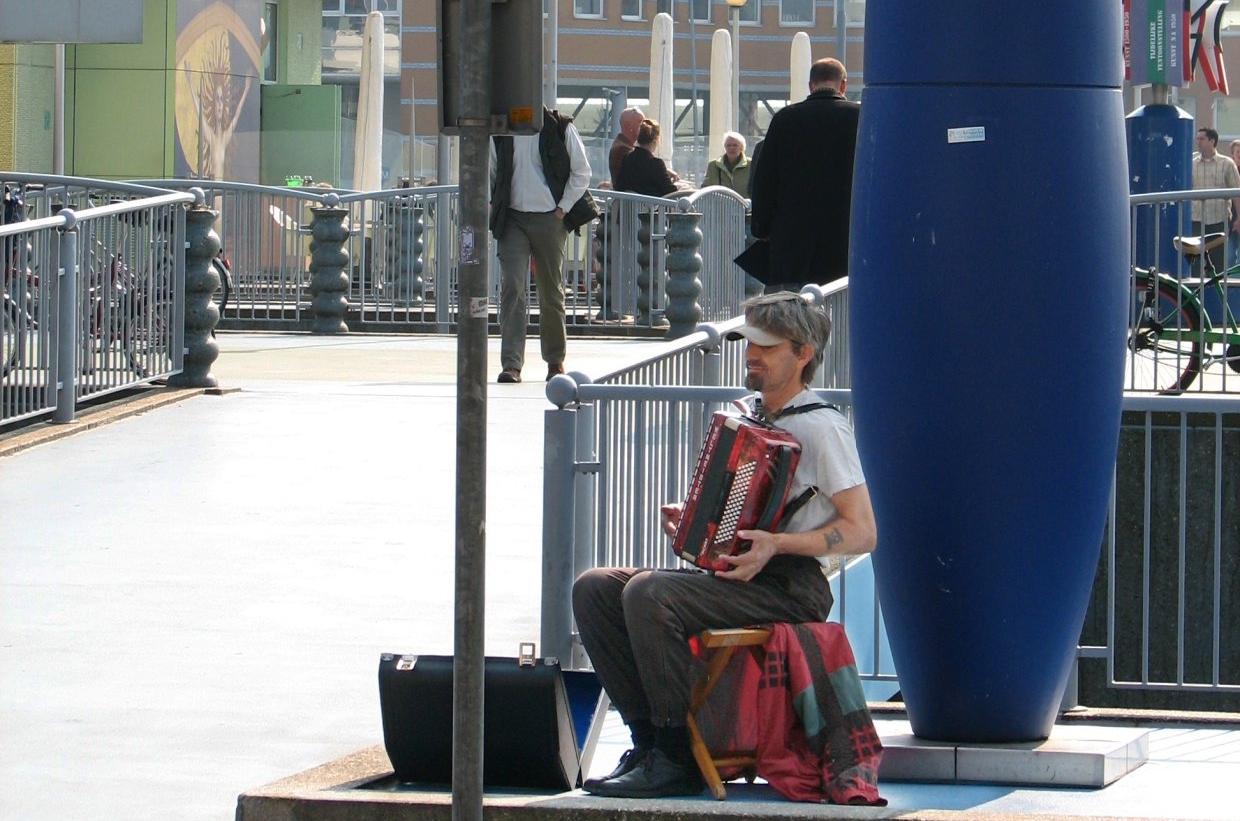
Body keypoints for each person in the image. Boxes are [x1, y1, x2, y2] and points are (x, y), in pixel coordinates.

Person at [572, 292, 877, 799]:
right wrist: (691, 524)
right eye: (748, 343)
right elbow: (730, 507)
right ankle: (649, 741)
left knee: (650, 593)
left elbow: (863, 530)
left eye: (766, 346)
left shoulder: (824, 428)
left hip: (791, 587)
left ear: (803, 354)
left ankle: (674, 756)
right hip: (734, 578)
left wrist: (775, 544)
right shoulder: (744, 413)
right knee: (595, 588)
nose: (751, 354)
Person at [490, 107, 593, 384]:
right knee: (512, 286)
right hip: (512, 217)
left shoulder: (559, 126)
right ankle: (511, 364)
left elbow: (582, 171)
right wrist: (494, 203)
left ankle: (555, 361)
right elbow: (492, 171)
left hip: (550, 217)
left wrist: (563, 208)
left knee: (551, 291)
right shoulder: (502, 127)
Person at [749, 58, 859, 292]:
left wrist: (761, 228)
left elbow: (765, 180)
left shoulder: (785, 119)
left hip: (793, 243)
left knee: (789, 318)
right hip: (846, 238)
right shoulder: (860, 117)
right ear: (843, 85)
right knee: (842, 309)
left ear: (810, 85)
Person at [1190, 127, 1240, 275]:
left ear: (1212, 141)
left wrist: (1239, 218)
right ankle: (1198, 294)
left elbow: (1236, 192)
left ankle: (1217, 296)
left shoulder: (1227, 164)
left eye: (1201, 139)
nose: (1198, 142)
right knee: (1195, 263)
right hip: (1197, 219)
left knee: (1219, 262)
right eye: (1197, 139)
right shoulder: (1192, 164)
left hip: (1219, 220)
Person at [615, 118, 681, 197]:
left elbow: (619, 186)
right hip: (651, 208)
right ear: (656, 139)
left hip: (628, 208)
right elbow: (671, 193)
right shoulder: (656, 164)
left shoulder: (627, 158)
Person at [702, 132, 752, 197]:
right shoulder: (714, 165)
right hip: (720, 206)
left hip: (744, 205)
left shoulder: (751, 165)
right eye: (728, 145)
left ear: (741, 147)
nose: (731, 148)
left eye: (735, 145)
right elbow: (705, 189)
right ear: (725, 147)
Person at [609, 106, 646, 185]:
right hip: (632, 196)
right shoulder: (623, 149)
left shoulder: (622, 145)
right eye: (641, 122)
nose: (645, 127)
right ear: (629, 126)